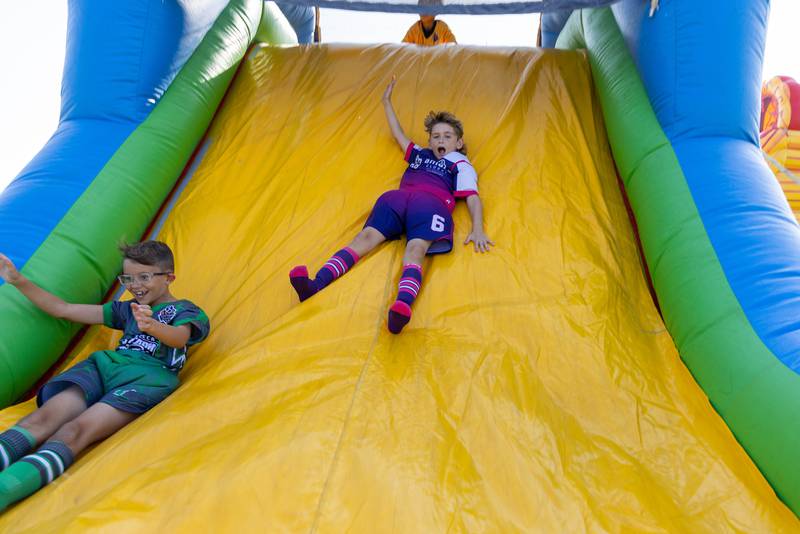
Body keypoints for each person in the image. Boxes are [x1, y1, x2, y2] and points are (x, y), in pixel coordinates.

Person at [0, 240, 210, 511]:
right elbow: (64, 309)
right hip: (105, 367)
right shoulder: (125, 309)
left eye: (144, 277)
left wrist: (152, 325)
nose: (135, 285)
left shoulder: (187, 311)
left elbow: (179, 338)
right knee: (41, 418)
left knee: (75, 430)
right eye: (128, 279)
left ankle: (7, 489)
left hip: (146, 380)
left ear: (169, 277)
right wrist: (18, 280)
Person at [289, 76, 493, 334]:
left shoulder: (460, 163)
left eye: (448, 136)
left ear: (459, 143)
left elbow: (472, 197)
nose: (441, 140)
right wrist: (386, 102)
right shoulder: (420, 154)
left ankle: (401, 306)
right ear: (429, 141)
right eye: (436, 136)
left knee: (416, 248)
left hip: (430, 206)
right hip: (398, 198)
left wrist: (478, 228)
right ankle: (315, 284)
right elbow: (399, 134)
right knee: (365, 237)